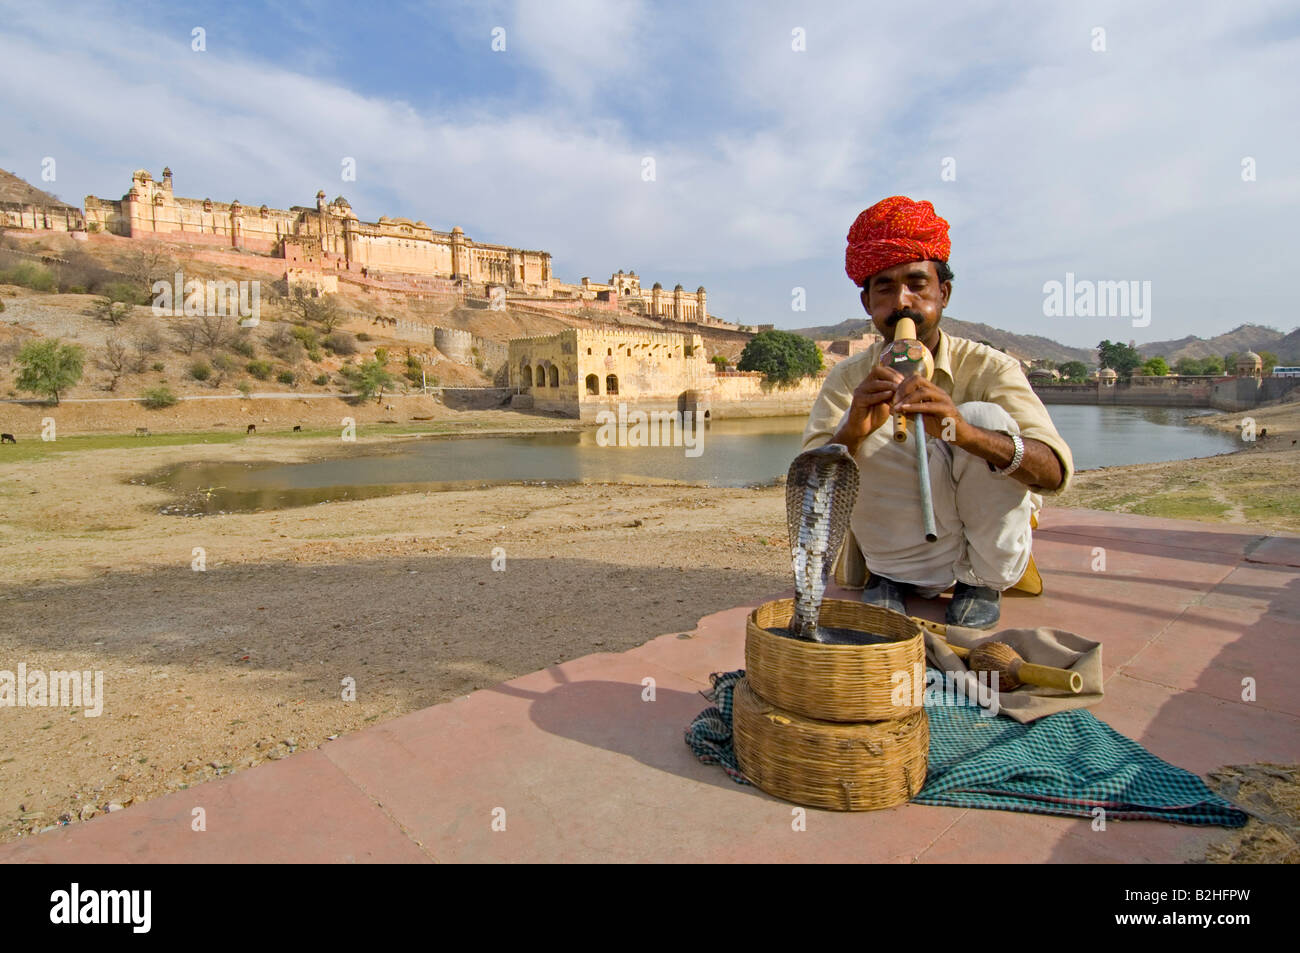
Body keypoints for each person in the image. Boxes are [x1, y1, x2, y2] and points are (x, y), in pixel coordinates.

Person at [801, 196, 1073, 628]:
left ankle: (981, 582)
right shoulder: (850, 378)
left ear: (942, 293)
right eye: (885, 289)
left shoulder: (991, 366)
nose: (902, 302)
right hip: (903, 554)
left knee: (986, 418)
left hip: (986, 555)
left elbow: (1054, 472)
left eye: (916, 284)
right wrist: (852, 431)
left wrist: (965, 434)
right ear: (868, 303)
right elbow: (810, 485)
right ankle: (890, 575)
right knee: (861, 440)